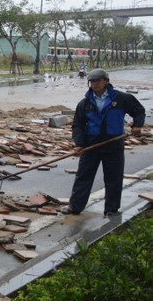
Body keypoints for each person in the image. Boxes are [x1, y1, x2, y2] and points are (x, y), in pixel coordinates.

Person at [61, 69, 145, 217]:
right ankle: (75, 207)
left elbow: (139, 110)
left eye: (97, 81)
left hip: (114, 144)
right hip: (91, 145)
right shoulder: (85, 103)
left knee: (114, 177)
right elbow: (78, 125)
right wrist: (79, 144)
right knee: (83, 176)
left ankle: (111, 210)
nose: (94, 84)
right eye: (92, 81)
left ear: (106, 81)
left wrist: (137, 125)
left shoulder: (121, 98)